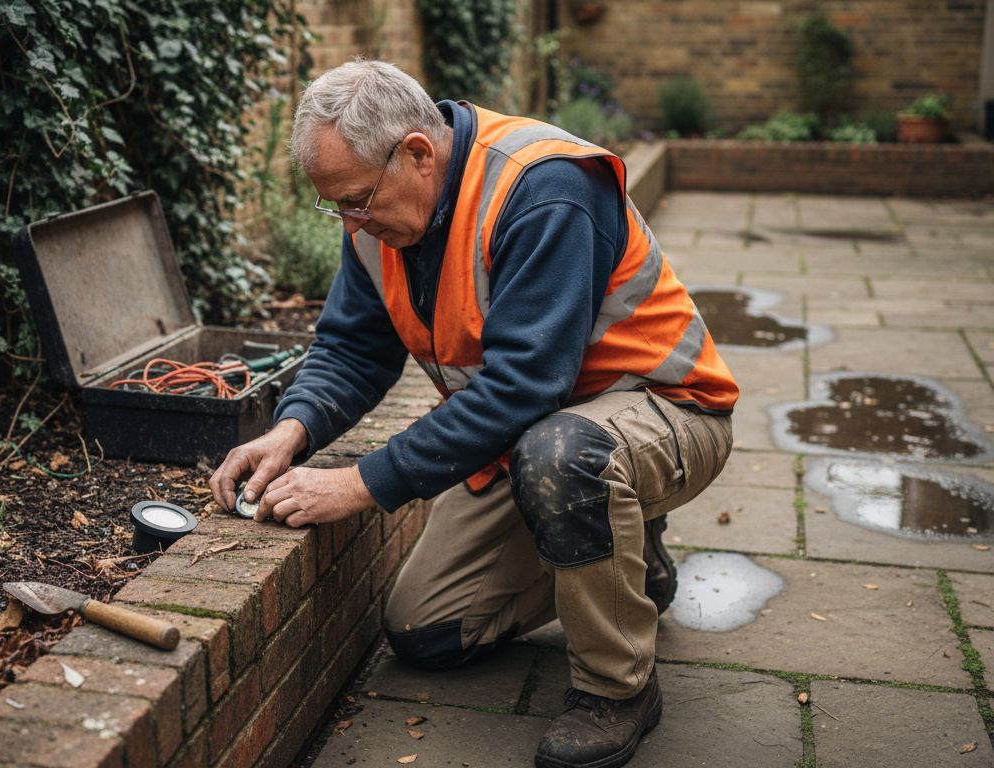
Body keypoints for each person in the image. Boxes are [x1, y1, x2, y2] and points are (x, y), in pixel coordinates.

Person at [209, 59, 738, 768]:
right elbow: (352, 348)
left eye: (357, 201)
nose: (350, 222)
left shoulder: (545, 188)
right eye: (334, 207)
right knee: (428, 631)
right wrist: (290, 430)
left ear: (418, 155)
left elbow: (523, 387)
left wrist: (360, 483)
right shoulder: (376, 214)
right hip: (541, 438)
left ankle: (618, 689)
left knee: (564, 455)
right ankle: (627, 559)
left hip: (667, 412)